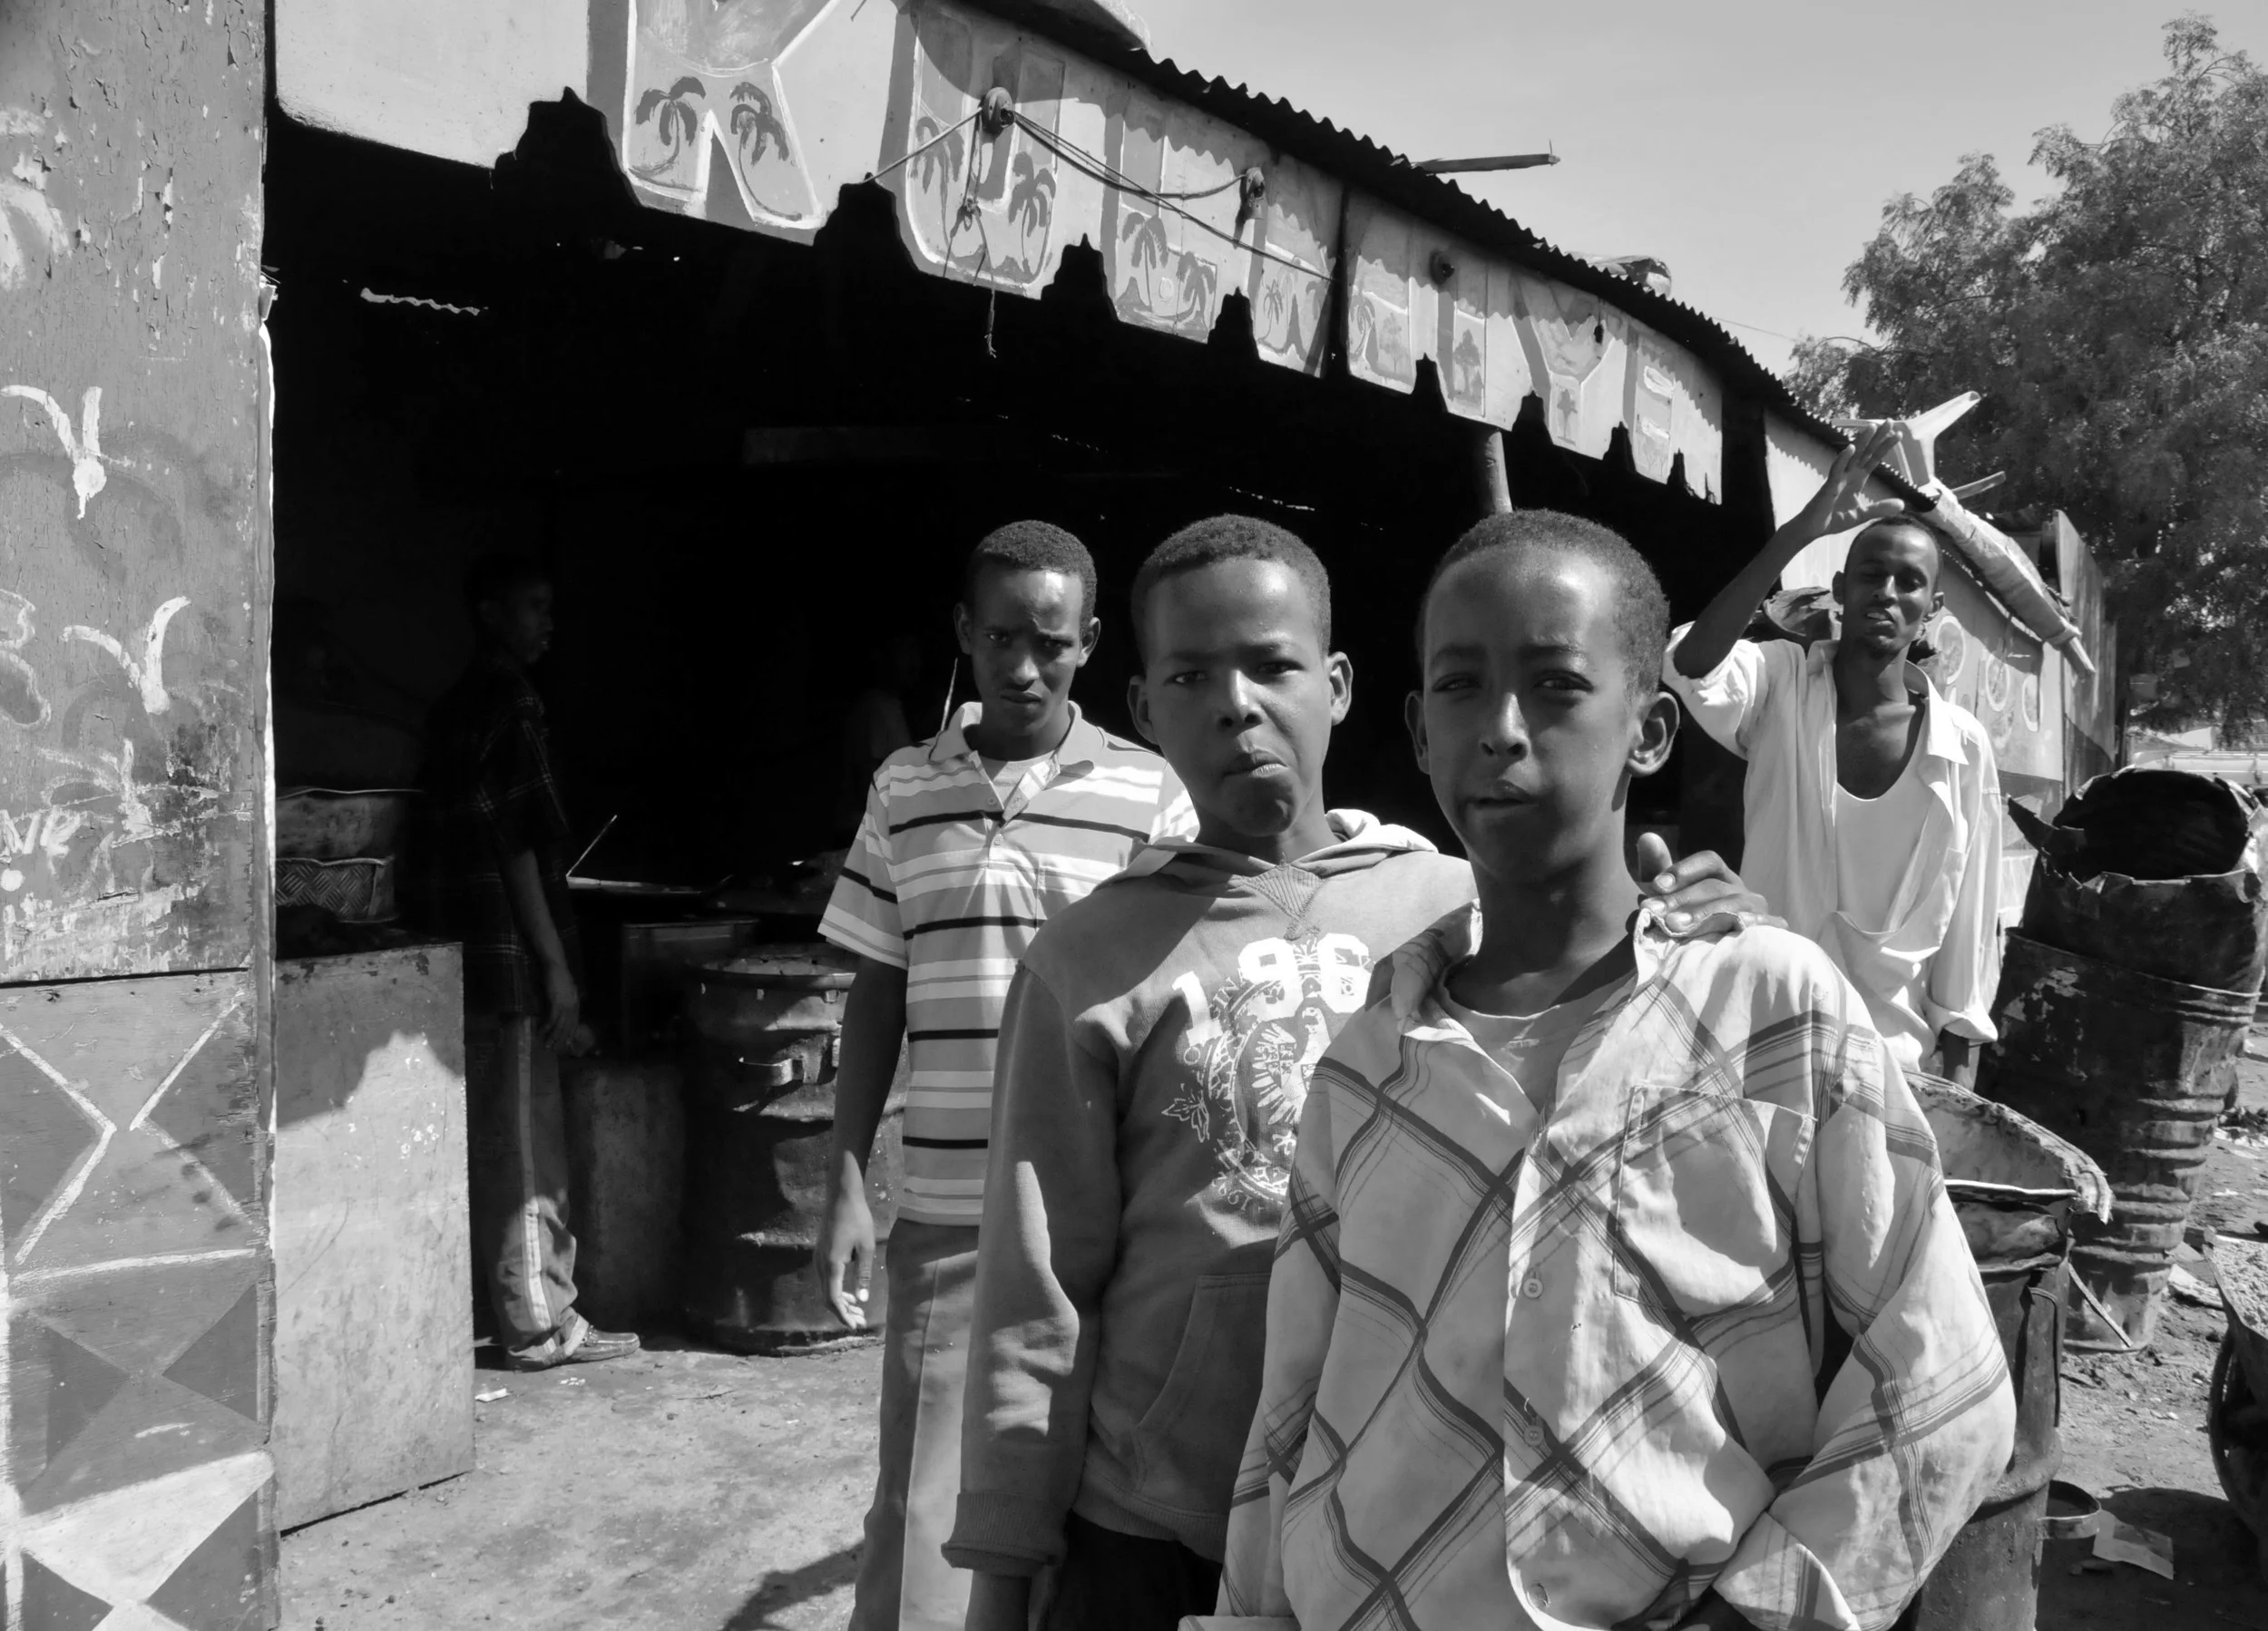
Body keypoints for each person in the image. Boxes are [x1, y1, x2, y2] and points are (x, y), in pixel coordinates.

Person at [949, 517, 1774, 1631]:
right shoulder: (1085, 964)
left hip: (1389, 1513)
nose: (1236, 704)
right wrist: (1002, 1576)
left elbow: (1615, 976)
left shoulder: (1455, 906)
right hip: (1155, 1518)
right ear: (1143, 711)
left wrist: (1712, 919)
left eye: (1273, 665)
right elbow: (1032, 1299)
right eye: (1190, 675)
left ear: (1336, 686)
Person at [1216, 512, 2014, 1631]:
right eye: (1460, 687)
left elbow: (1944, 1389)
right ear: (1416, 730)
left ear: (1648, 732)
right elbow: (1290, 1413)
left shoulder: (1767, 1013)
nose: (1501, 730)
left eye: (1554, 686)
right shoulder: (1366, 1062)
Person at [819, 522, 1196, 1631]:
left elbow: (1177, 1009)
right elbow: (879, 986)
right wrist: (848, 1175)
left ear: (1088, 642)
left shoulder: (1150, 799)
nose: (1022, 667)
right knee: (927, 1495)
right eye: (998, 639)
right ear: (962, 636)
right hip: (943, 1213)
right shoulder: (903, 788)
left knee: (1077, 1488)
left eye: (1050, 642)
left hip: (1094, 1215)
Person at [1666, 425, 2002, 1084]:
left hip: (1893, 1071)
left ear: (1930, 610)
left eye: (1910, 583)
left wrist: (1958, 1096)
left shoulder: (1961, 749)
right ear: (1841, 591)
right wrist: (1800, 532)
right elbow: (1691, 663)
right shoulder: (1779, 684)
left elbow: (1967, 939)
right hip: (1759, 1046)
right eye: (1872, 575)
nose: (1888, 592)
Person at [415, 554, 639, 1372]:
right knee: (523, 1147)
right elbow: (518, 848)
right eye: (533, 606)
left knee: (497, 1138)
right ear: (489, 611)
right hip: (504, 954)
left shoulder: (455, 706)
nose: (548, 623)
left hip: (459, 949)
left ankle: (519, 1308)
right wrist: (557, 968)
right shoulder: (511, 704)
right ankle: (541, 1324)